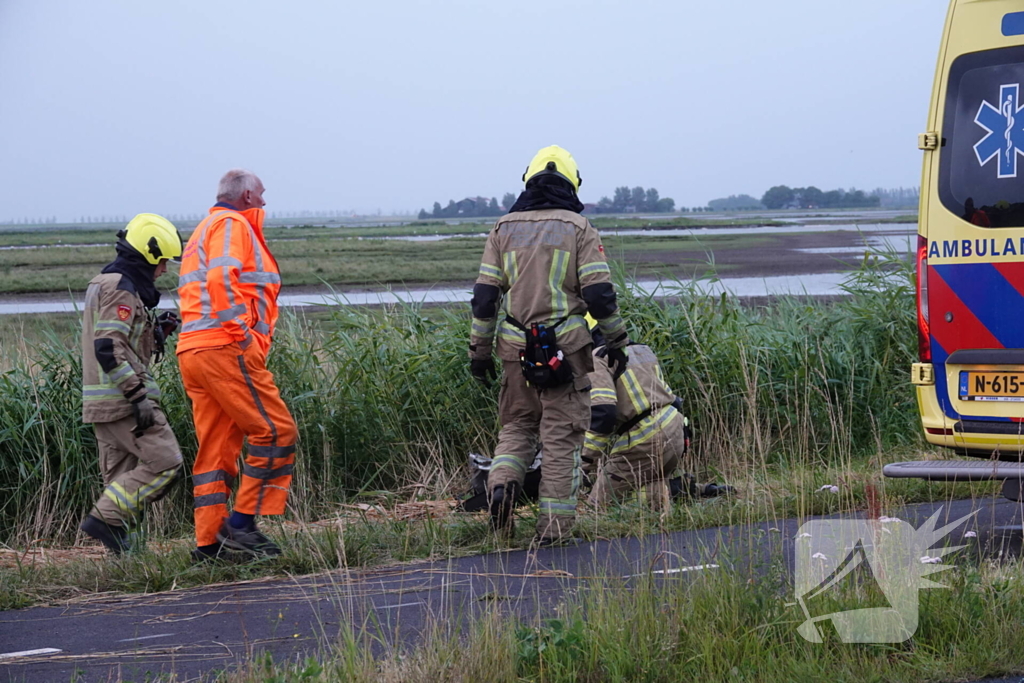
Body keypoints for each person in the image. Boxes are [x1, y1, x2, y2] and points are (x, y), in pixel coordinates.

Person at [469, 145, 630, 546]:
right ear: (572, 182)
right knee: (561, 438)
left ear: (529, 181)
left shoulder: (502, 229)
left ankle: (502, 484)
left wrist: (479, 354)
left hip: (513, 350)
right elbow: (599, 295)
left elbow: (486, 299)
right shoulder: (579, 228)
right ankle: (554, 533)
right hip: (568, 351)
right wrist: (617, 339)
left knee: (518, 427)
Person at [176, 169, 296, 562]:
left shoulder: (202, 229)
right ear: (246, 194)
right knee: (276, 432)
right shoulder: (232, 224)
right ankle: (242, 526)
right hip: (224, 348)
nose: (265, 201)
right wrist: (239, 333)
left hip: (193, 352)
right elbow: (220, 278)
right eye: (261, 193)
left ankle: (209, 546)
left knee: (215, 453)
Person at [80, 213, 185, 554]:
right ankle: (101, 519)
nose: (164, 270)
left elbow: (119, 342)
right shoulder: (121, 289)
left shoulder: (104, 282)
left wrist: (155, 334)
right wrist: (138, 397)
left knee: (120, 486)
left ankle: (127, 564)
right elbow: (108, 347)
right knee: (166, 462)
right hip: (124, 402)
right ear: (147, 256)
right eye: (162, 262)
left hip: (101, 405)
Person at [582, 316, 688, 509]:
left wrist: (584, 462)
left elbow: (603, 415)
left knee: (595, 510)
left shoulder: (596, 360)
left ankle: (682, 490)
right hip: (675, 429)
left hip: (644, 440)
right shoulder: (642, 349)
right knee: (651, 500)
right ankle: (679, 495)